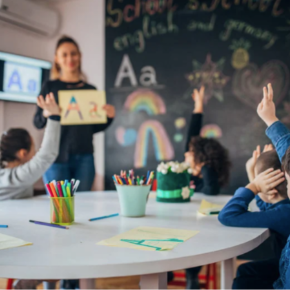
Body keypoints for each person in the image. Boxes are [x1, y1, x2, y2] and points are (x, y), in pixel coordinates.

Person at [33, 35, 115, 192]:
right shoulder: (50, 86)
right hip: (55, 157)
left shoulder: (90, 89)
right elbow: (37, 122)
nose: (70, 58)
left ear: (80, 56)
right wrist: (46, 113)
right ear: (56, 59)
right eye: (64, 54)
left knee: (83, 205)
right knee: (58, 207)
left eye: (73, 53)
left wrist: (109, 118)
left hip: (84, 156)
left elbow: (91, 127)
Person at [0, 94, 61, 289]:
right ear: (22, 154)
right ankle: (30, 281)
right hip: (12, 241)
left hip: (14, 234)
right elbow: (46, 156)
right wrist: (54, 118)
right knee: (54, 252)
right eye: (33, 149)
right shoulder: (15, 177)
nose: (35, 153)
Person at [183, 87, 231, 289]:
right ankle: (166, 271)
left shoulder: (207, 175)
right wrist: (198, 107)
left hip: (197, 229)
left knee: (195, 235)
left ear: (201, 159)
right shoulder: (186, 171)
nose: (185, 155)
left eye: (190, 153)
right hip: (178, 222)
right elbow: (192, 134)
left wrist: (203, 166)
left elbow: (211, 191)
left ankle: (192, 275)